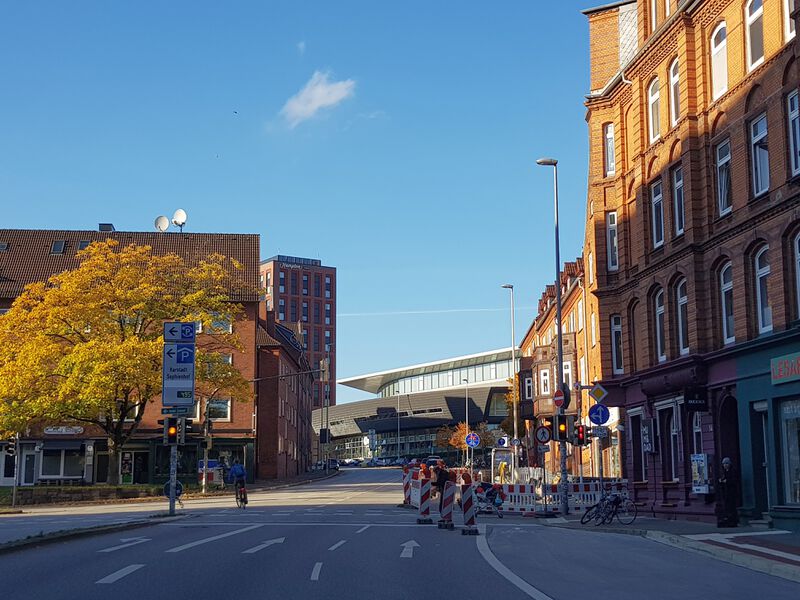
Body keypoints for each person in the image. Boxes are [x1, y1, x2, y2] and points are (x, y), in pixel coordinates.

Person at [718, 457, 738, 527]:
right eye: (724, 464)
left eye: (726, 463)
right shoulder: (724, 472)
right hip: (726, 493)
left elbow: (734, 481)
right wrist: (721, 481)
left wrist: (727, 481)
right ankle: (728, 521)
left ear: (729, 464)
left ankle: (733, 522)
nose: (725, 465)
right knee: (727, 507)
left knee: (731, 507)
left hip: (731, 492)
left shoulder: (732, 471)